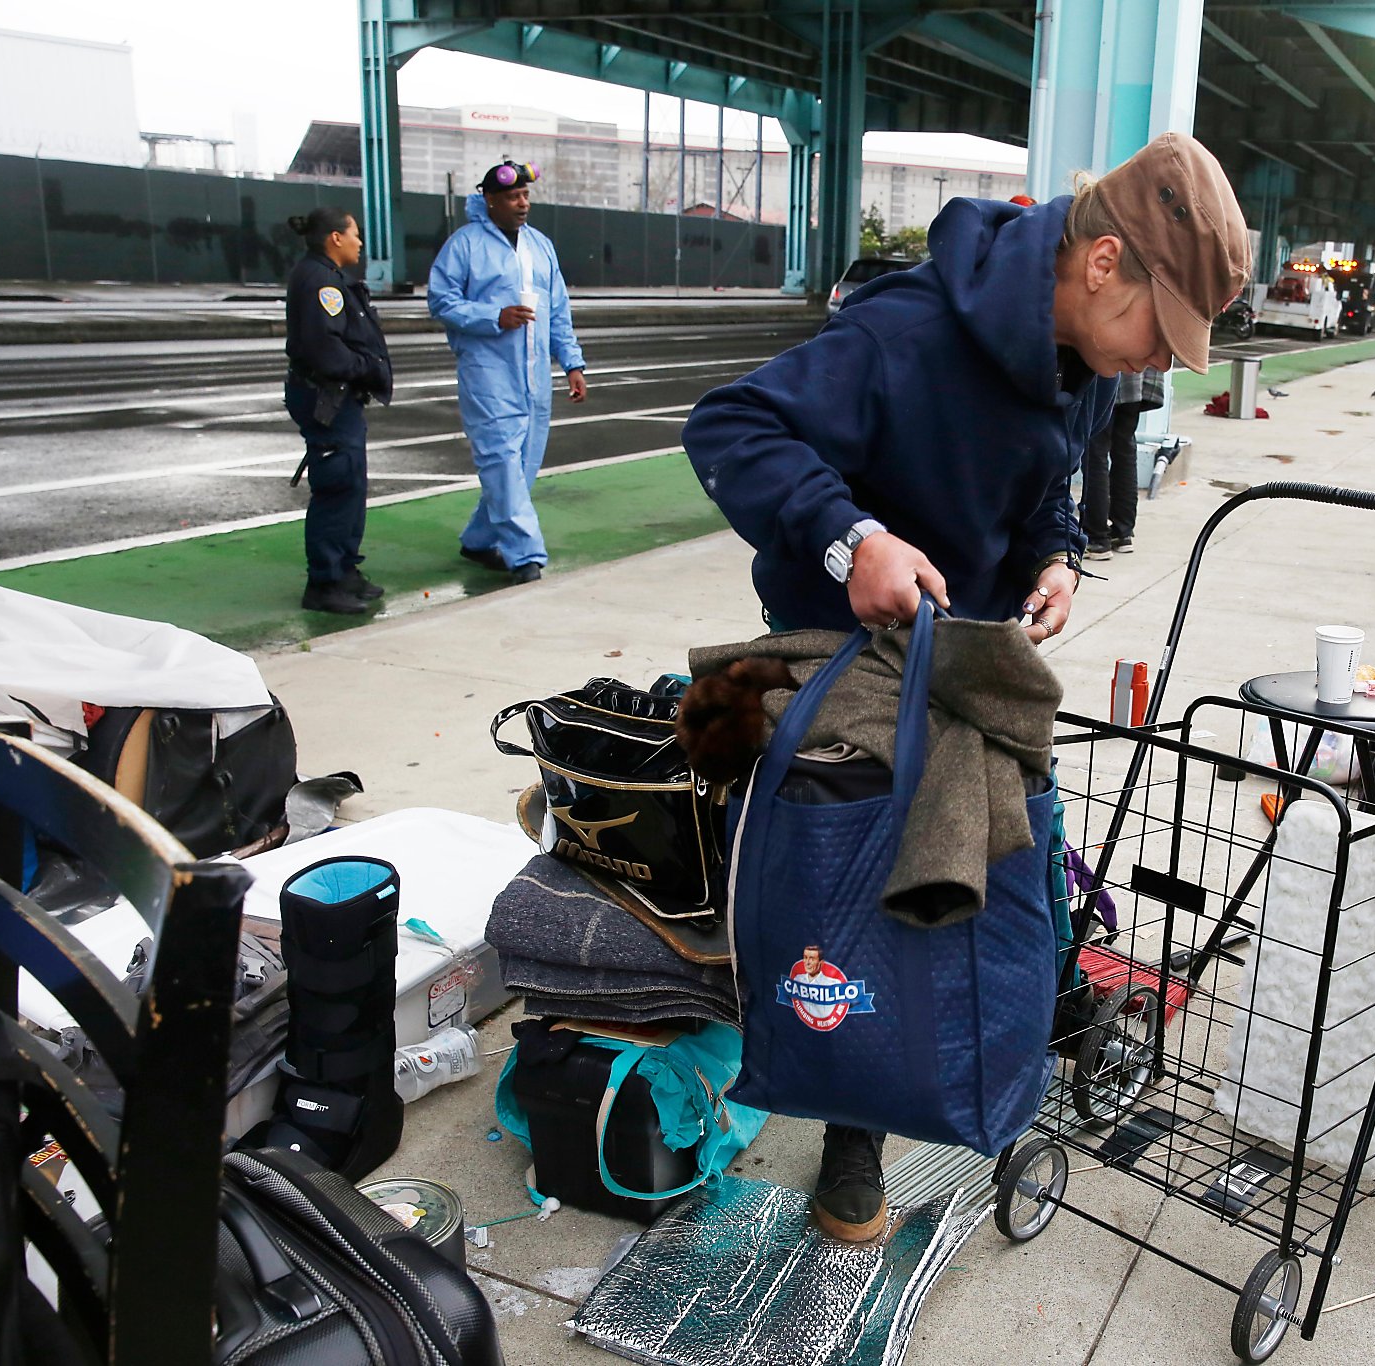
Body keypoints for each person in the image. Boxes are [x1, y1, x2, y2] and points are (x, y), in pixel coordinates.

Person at [683, 132, 1248, 1241]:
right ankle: (852, 1121)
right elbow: (728, 425)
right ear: (1098, 265)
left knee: (992, 874)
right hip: (837, 642)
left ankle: (969, 1050)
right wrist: (852, 541)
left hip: (973, 655)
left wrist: (1055, 554)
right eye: (1156, 328)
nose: (1155, 364)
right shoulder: (902, 334)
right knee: (859, 892)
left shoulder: (1083, 361)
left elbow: (1048, 483)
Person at [428, 159, 587, 586]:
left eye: (526, 196)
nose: (523, 204)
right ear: (490, 200)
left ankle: (479, 539)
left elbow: (557, 310)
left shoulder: (539, 246)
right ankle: (525, 556)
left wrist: (571, 362)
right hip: (488, 376)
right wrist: (493, 316)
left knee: (522, 466)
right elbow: (441, 301)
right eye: (513, 197)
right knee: (501, 461)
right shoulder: (464, 246)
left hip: (534, 380)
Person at [283, 207, 393, 615]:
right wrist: (368, 369)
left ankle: (344, 570)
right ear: (335, 238)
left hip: (340, 399)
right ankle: (324, 582)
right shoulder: (320, 282)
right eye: (355, 234)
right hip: (325, 398)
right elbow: (325, 350)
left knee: (351, 485)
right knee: (337, 486)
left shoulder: (327, 277)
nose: (360, 242)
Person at [1081, 365, 1163, 558]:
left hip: (1106, 377)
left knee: (1095, 452)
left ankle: (1097, 537)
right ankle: (1123, 532)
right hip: (1135, 380)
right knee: (1125, 448)